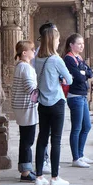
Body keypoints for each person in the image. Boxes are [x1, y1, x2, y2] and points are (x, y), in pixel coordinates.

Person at [34, 25, 73, 185]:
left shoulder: (37, 59)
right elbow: (69, 79)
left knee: (42, 138)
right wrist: (61, 79)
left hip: (42, 102)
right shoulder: (56, 59)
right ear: (52, 41)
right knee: (55, 140)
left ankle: (39, 176)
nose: (58, 43)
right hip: (56, 102)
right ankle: (55, 178)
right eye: (57, 39)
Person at [63, 33, 93, 168]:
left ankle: (80, 155)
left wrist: (84, 72)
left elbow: (90, 72)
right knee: (77, 128)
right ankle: (76, 158)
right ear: (71, 45)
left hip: (82, 95)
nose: (82, 46)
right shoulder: (69, 59)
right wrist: (83, 73)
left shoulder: (79, 58)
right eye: (79, 43)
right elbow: (79, 77)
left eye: (82, 43)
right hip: (75, 96)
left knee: (87, 126)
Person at [11, 40, 38, 182]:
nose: (34, 51)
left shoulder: (21, 66)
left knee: (25, 139)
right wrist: (42, 94)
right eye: (32, 49)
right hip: (26, 107)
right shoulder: (25, 67)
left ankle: (25, 169)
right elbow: (30, 88)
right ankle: (26, 172)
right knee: (28, 140)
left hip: (22, 106)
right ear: (24, 53)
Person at [32, 21, 56, 175]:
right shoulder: (46, 55)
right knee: (47, 134)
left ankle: (44, 164)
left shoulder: (42, 54)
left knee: (45, 132)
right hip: (48, 97)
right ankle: (46, 161)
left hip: (44, 96)